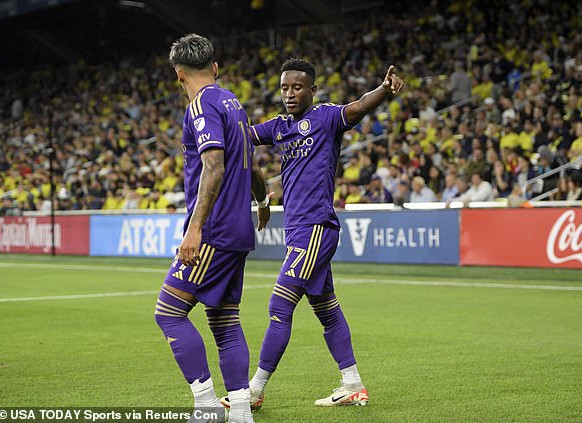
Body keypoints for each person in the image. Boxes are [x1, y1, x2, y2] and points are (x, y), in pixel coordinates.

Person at [227, 58, 403, 409]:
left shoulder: (323, 118)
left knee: (279, 304)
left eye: (297, 87)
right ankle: (352, 383)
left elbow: (355, 109)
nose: (289, 94)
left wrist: (384, 90)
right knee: (326, 309)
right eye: (284, 88)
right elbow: (241, 138)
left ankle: (254, 391)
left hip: (315, 228)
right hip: (298, 231)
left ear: (312, 90)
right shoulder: (278, 127)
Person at [154, 34, 270, 423]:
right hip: (237, 231)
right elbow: (252, 166)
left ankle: (205, 406)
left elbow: (214, 165)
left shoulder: (201, 105)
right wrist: (263, 201)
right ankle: (239, 412)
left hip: (214, 232)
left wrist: (195, 229)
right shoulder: (233, 102)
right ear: (215, 68)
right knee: (224, 320)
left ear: (178, 74)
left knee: (168, 312)